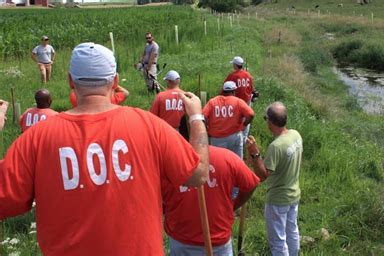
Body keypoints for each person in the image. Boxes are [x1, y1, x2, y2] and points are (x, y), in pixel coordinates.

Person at [0, 42, 209, 255]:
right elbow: (198, 174)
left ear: (70, 81)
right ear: (115, 80)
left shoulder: (35, 138)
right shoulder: (150, 126)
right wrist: (196, 117)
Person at [163, 145, 260, 255]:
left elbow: (251, 183)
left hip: (188, 241)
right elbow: (251, 184)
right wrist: (234, 206)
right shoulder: (227, 157)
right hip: (207, 241)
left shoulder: (168, 162)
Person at [246, 102, 303, 256]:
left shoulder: (276, 146)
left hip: (278, 199)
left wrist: (255, 153)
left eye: (266, 119)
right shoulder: (296, 135)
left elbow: (262, 176)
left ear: (270, 121)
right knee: (292, 230)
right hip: (294, 194)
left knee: (278, 241)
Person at [203, 81, 254, 159]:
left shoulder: (212, 102)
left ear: (223, 90)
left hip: (217, 139)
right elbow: (250, 114)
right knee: (237, 161)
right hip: (234, 136)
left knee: (219, 162)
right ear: (234, 91)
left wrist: (206, 128)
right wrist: (244, 125)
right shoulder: (238, 102)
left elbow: (203, 116)